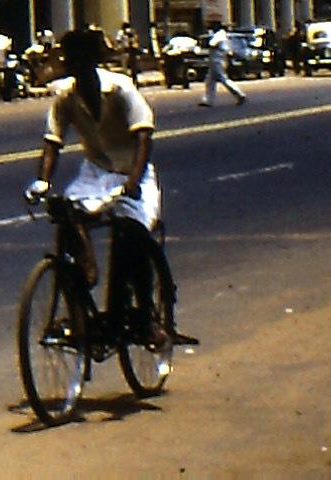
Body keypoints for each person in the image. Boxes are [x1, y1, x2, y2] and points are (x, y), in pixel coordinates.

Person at [26, 26, 194, 348]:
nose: (76, 65)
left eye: (82, 59)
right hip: (96, 172)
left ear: (96, 59)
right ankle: (83, 284)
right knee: (66, 216)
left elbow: (143, 136)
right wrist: (42, 181)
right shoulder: (65, 96)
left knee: (131, 235)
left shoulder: (120, 88)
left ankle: (144, 317)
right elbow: (52, 142)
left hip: (133, 173)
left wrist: (132, 182)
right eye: (71, 59)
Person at [201, 21, 248, 108]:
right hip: (216, 59)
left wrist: (209, 35)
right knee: (209, 81)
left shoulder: (219, 35)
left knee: (223, 79)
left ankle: (239, 94)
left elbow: (210, 44)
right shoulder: (222, 34)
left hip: (217, 59)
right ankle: (208, 100)